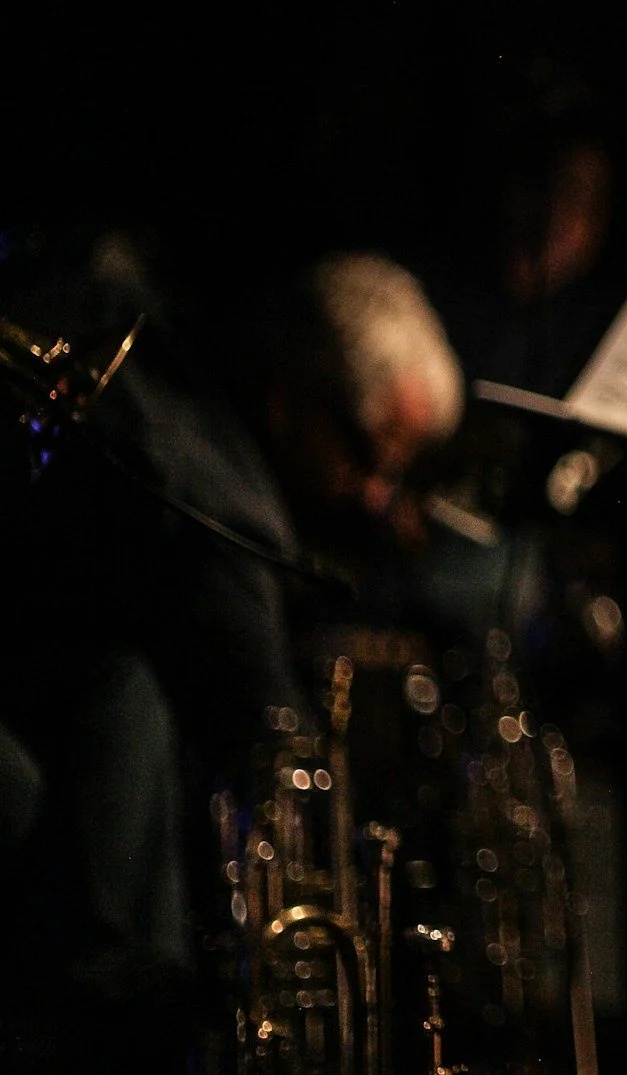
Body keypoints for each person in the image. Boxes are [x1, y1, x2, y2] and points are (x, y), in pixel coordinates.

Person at [0, 241, 465, 1068]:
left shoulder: (176, 355)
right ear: (290, 401)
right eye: (365, 454)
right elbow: (279, 756)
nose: (376, 495)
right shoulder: (216, 497)